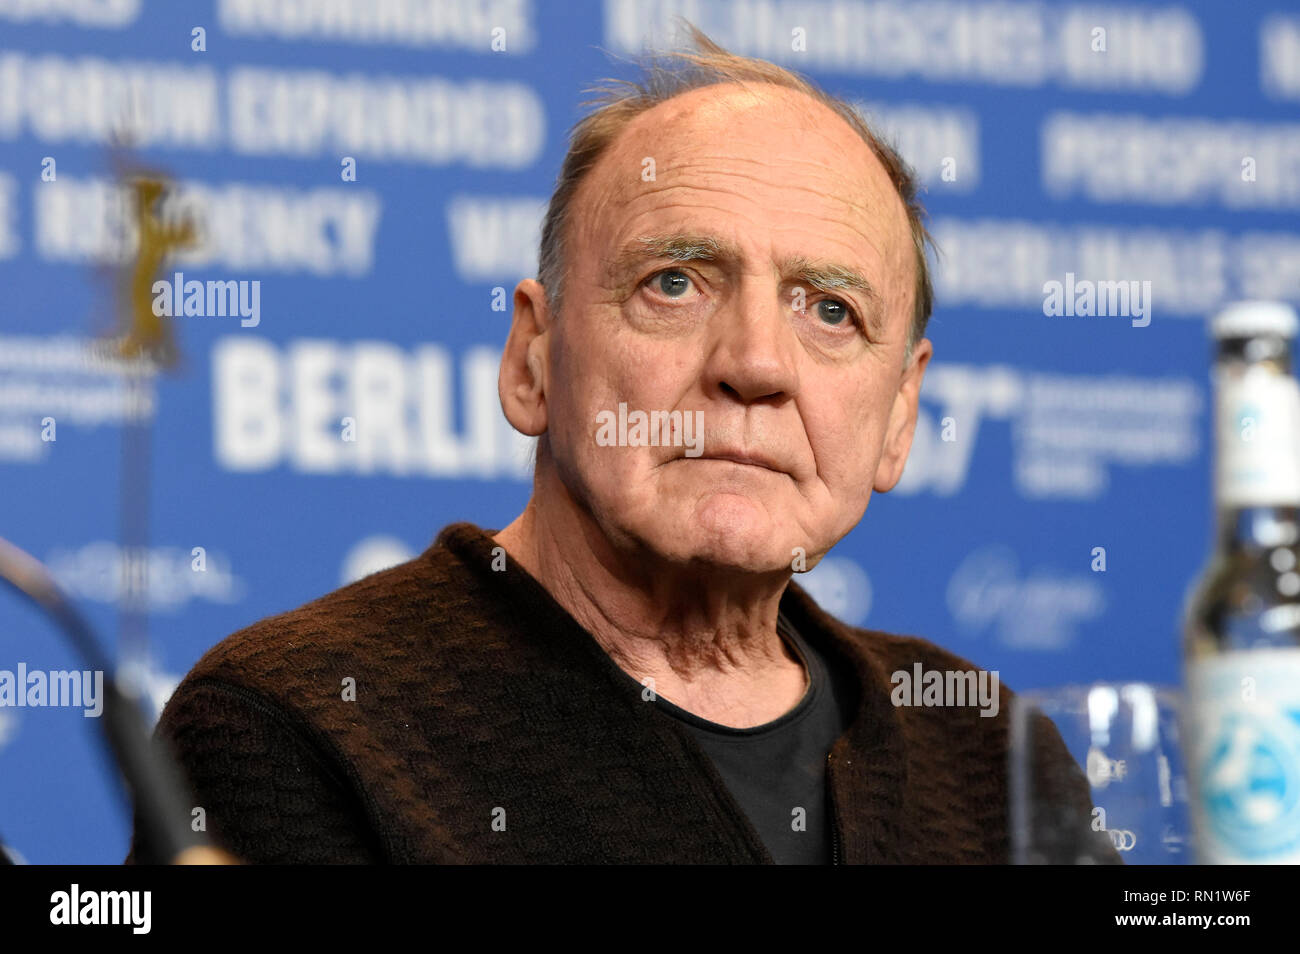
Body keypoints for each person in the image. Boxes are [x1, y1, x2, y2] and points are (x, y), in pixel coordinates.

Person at [126, 24, 1114, 865]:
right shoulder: (295, 724)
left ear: (899, 415)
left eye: (828, 309)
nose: (755, 364)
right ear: (533, 360)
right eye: (675, 282)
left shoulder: (987, 750)